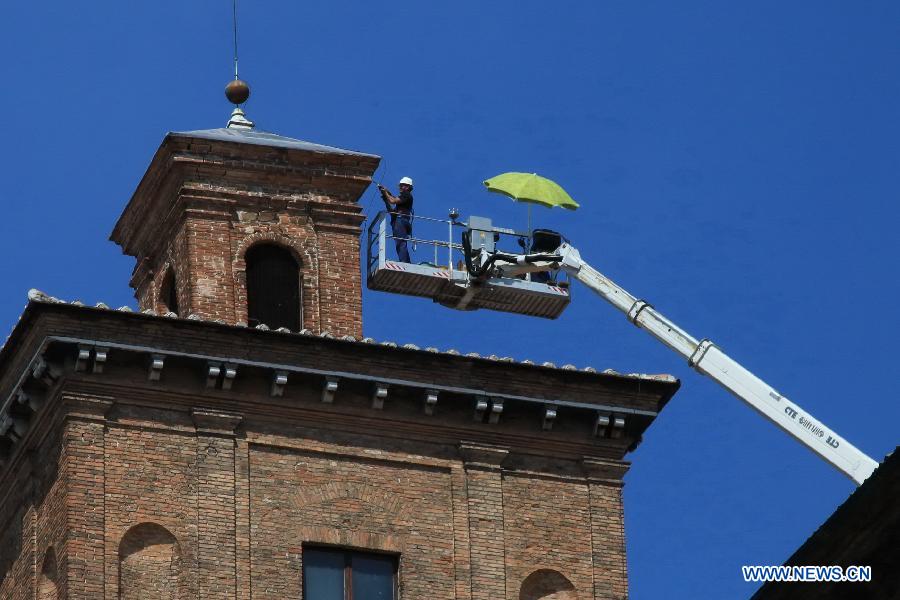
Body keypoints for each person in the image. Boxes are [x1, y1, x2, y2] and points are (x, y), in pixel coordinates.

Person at [378, 176, 415, 263]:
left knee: (400, 243)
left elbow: (393, 200)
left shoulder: (407, 195)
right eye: (400, 185)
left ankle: (404, 262)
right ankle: (406, 262)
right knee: (400, 243)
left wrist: (385, 192)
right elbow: (392, 211)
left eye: (403, 185)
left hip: (401, 220)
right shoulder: (402, 202)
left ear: (408, 187)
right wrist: (385, 199)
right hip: (399, 220)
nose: (401, 187)